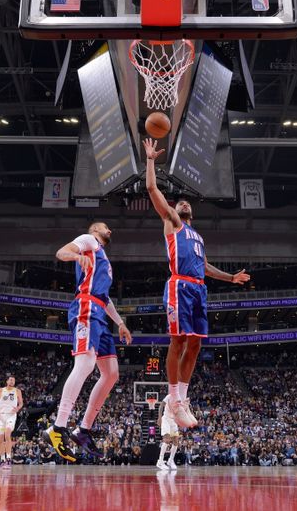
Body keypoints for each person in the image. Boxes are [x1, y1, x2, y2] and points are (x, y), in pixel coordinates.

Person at [143, 138, 250, 428]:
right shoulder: (173, 223)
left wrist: (231, 278)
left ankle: (183, 399)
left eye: (186, 202)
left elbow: (204, 267)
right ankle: (173, 398)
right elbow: (152, 189)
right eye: (180, 202)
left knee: (196, 345)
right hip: (179, 286)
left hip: (199, 288)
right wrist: (151, 160)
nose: (184, 202)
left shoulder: (198, 237)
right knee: (178, 341)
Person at [43, 223, 132, 462]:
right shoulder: (88, 240)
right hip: (86, 307)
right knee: (85, 364)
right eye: (106, 227)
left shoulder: (102, 257)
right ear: (94, 229)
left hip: (100, 311)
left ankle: (83, 430)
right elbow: (61, 252)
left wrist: (121, 322)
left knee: (111, 373)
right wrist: (75, 256)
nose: (110, 230)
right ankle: (58, 427)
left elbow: (105, 298)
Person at [0, 376, 23, 469]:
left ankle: (9, 459)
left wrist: (17, 408)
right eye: (10, 379)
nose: (12, 381)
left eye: (14, 380)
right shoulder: (0, 390)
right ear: (7, 381)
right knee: (0, 439)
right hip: (1, 416)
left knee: (7, 434)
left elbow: (21, 403)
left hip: (11, 415)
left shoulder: (17, 391)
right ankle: (2, 460)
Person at [155, 395, 179, 470]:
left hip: (173, 421)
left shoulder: (181, 397)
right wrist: (159, 417)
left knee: (176, 441)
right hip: (166, 419)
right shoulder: (170, 396)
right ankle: (160, 461)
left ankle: (170, 461)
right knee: (167, 440)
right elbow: (161, 405)